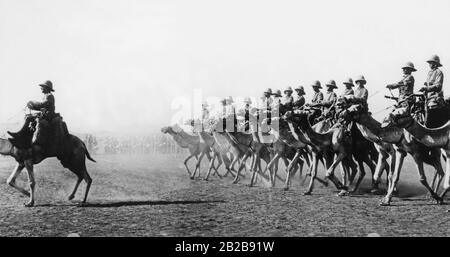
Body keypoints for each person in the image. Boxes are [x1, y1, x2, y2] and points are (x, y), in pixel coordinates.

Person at [8, 80, 56, 148]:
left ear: (47, 88)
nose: (41, 88)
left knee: (28, 118)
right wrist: (33, 105)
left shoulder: (49, 96)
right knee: (28, 116)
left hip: (48, 116)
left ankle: (20, 134)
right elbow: (41, 106)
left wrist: (33, 103)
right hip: (45, 114)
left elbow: (43, 105)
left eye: (42, 87)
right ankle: (22, 136)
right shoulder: (46, 96)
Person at [419, 55, 446, 128]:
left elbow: (438, 86)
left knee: (432, 116)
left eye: (431, 63)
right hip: (428, 98)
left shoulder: (439, 72)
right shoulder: (429, 73)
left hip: (435, 98)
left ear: (435, 64)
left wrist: (426, 88)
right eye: (429, 63)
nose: (429, 64)